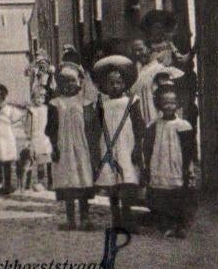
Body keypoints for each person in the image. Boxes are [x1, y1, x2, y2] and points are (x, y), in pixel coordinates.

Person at [90, 59, 145, 233]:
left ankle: (128, 219)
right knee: (112, 185)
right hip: (108, 147)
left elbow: (139, 127)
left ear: (125, 84)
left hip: (126, 147)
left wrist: (137, 148)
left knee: (127, 183)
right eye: (111, 83)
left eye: (119, 83)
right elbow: (95, 129)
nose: (115, 86)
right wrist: (96, 152)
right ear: (104, 86)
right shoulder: (101, 105)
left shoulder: (131, 102)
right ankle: (116, 220)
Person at [45, 62, 96, 230]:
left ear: (79, 82)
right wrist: (54, 146)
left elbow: (92, 128)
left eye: (72, 81)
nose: (69, 85)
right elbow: (50, 129)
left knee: (83, 179)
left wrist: (93, 148)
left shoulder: (86, 103)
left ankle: (85, 217)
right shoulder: (55, 104)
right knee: (67, 181)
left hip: (82, 147)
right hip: (63, 147)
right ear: (59, 84)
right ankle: (70, 219)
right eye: (64, 82)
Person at [142, 84, 197, 238]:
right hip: (160, 164)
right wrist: (147, 165)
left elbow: (188, 149)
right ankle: (166, 224)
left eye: (172, 102)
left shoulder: (183, 125)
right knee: (162, 196)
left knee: (179, 196)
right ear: (158, 104)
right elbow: (148, 148)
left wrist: (188, 167)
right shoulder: (153, 125)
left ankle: (181, 225)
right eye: (165, 102)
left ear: (178, 103)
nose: (168, 106)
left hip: (177, 165)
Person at [27, 87, 53, 191]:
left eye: (42, 98)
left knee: (49, 161)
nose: (40, 100)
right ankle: (41, 182)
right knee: (40, 162)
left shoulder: (46, 109)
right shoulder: (31, 110)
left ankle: (51, 183)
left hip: (46, 138)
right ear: (33, 98)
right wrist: (29, 136)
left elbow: (50, 123)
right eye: (37, 98)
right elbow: (28, 125)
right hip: (36, 137)